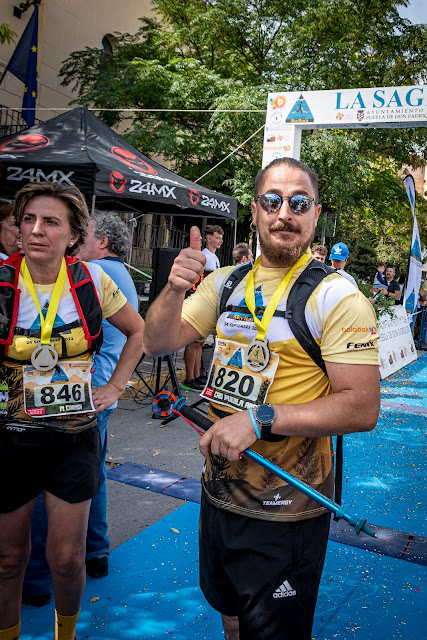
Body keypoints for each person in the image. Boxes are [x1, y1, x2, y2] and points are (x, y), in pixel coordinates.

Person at [143, 157, 380, 640]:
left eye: (299, 203)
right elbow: (157, 342)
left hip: (286, 508)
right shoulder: (226, 283)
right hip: (218, 493)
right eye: (272, 201)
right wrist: (173, 288)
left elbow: (362, 406)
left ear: (316, 214)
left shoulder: (337, 297)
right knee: (230, 614)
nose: (284, 213)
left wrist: (259, 419)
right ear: (254, 211)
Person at [0, 182, 144, 640]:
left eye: (50, 222)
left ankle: (67, 635)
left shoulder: (92, 281)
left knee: (65, 560)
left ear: (74, 234)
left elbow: (138, 332)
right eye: (28, 220)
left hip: (73, 438)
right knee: (8, 560)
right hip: (10, 440)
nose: (35, 230)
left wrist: (115, 386)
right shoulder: (2, 281)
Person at [182, 225, 224, 391]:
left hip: (207, 302)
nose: (220, 241)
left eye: (221, 238)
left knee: (199, 342)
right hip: (199, 301)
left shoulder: (214, 257)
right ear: (209, 238)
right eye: (217, 237)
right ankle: (189, 377)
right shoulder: (205, 256)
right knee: (193, 342)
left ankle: (197, 374)